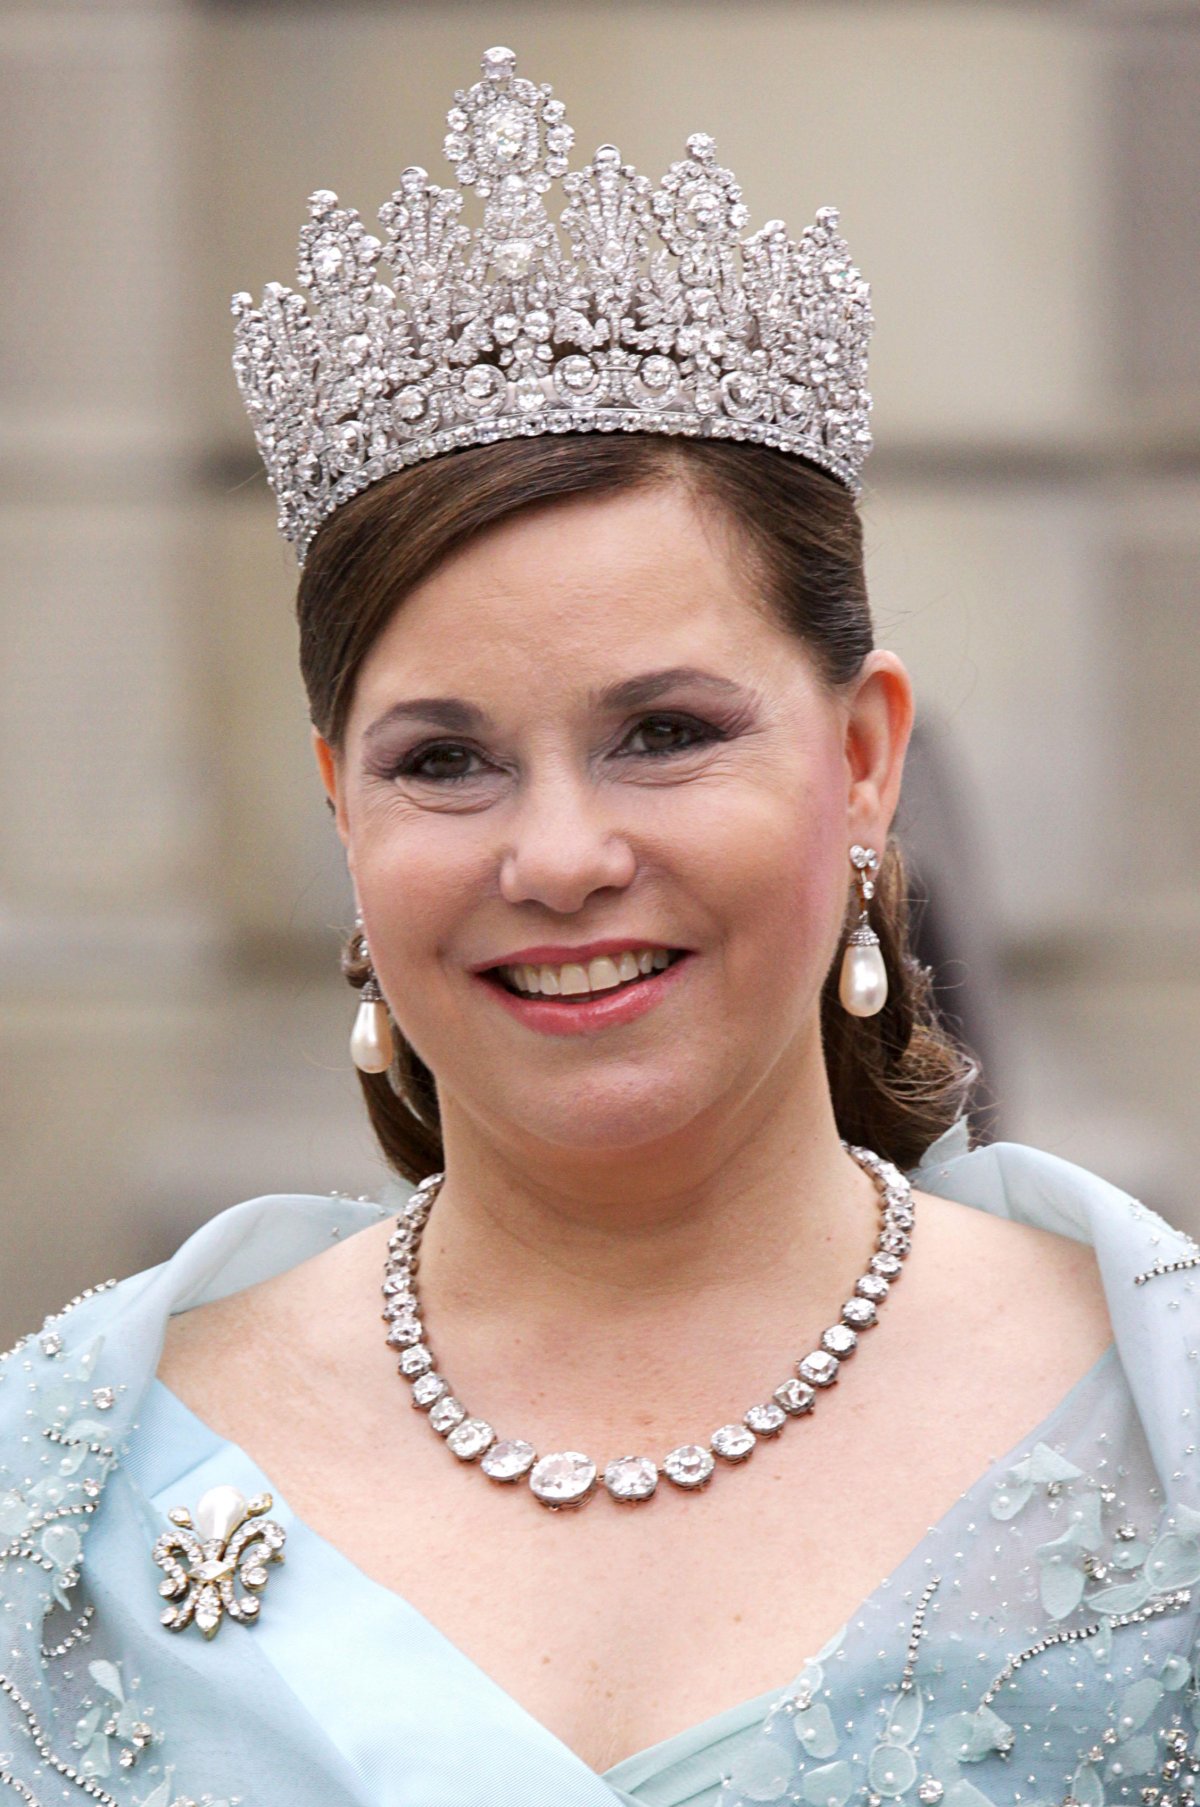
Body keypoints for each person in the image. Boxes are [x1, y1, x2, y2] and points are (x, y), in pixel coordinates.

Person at [3, 44, 1199, 1807]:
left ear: (863, 759)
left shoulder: (1163, 1419)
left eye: (665, 732)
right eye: (445, 761)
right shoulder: (71, 1479)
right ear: (341, 808)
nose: (559, 857)